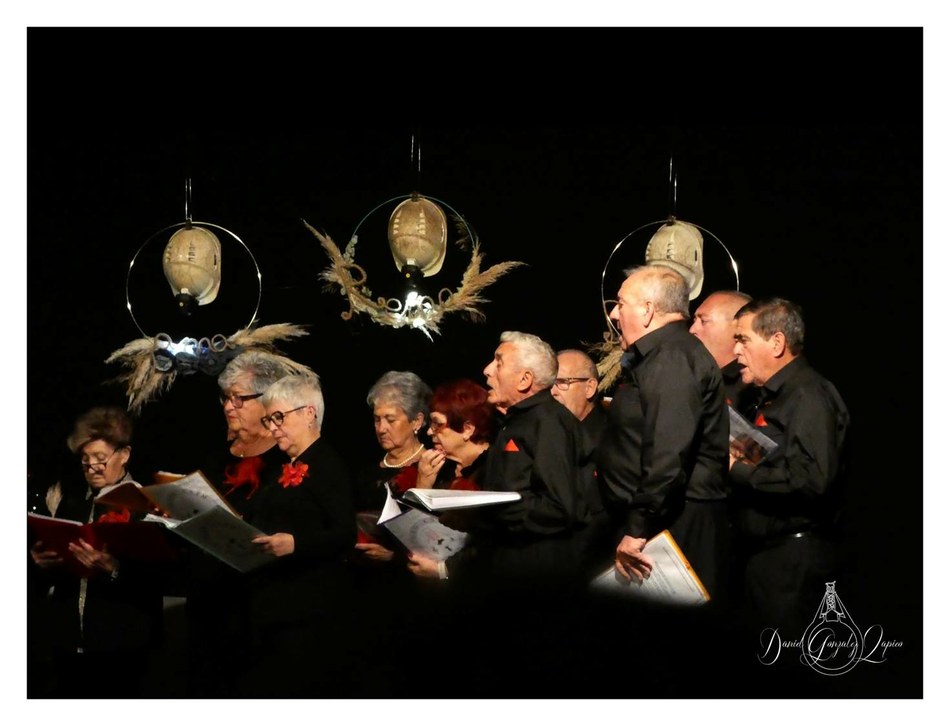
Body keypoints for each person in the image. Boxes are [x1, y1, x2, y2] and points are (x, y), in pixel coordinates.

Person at [596, 265, 731, 601]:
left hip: (670, 525)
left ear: (647, 310)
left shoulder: (672, 357)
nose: (614, 314)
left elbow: (668, 452)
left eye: (621, 303)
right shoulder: (660, 355)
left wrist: (637, 527)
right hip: (656, 520)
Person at [184, 350, 312, 697]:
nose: (229, 406)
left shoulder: (287, 460)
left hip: (261, 609)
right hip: (209, 604)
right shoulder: (214, 457)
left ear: (267, 400)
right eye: (226, 398)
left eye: (239, 398)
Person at [729, 297, 849, 637]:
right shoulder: (774, 395)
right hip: (767, 557)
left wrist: (738, 469)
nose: (735, 350)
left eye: (743, 340)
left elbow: (813, 480)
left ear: (777, 342)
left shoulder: (808, 395)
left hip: (793, 562)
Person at [27, 406, 165, 697]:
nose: (92, 468)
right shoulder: (73, 503)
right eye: (85, 460)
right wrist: (40, 563)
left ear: (124, 454)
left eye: (101, 459)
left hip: (123, 648)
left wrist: (114, 569)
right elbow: (53, 575)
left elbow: (160, 577)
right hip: (68, 644)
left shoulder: (147, 505)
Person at [236, 372, 356, 696]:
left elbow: (345, 533)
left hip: (307, 613)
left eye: (279, 417)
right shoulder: (279, 470)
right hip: (272, 607)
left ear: (309, 413)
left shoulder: (328, 465)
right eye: (269, 419)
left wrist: (296, 544)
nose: (273, 428)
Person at [405, 378, 497, 580]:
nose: (429, 431)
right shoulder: (440, 468)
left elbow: (491, 541)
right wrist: (423, 485)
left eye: (438, 424)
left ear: (468, 429)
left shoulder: (494, 469)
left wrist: (443, 571)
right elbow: (417, 530)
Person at [689, 289, 755, 411]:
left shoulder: (750, 385)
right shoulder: (694, 377)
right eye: (694, 321)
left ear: (737, 327)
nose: (692, 329)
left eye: (703, 321)